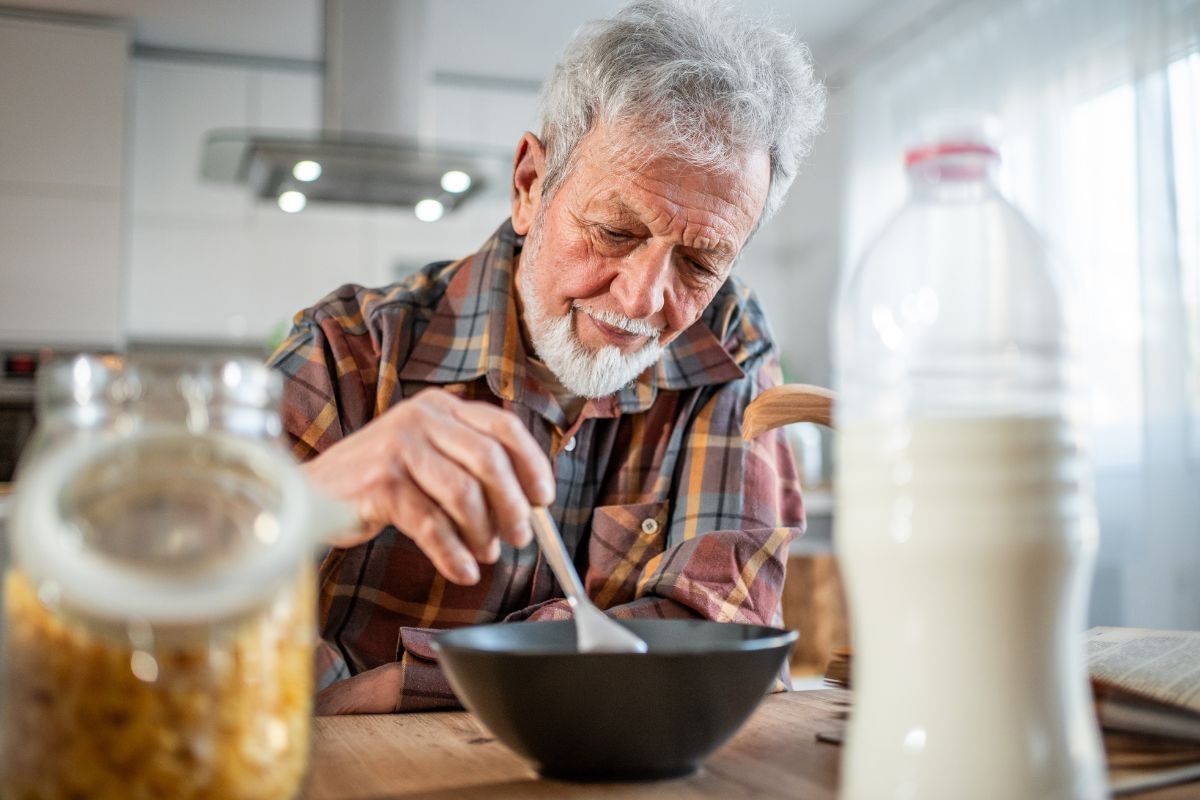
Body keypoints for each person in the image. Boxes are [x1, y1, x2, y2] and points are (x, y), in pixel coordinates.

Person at [270, 0, 826, 714]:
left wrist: (411, 685)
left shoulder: (727, 342)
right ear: (531, 185)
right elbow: (166, 594)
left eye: (698, 262)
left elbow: (715, 630)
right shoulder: (346, 351)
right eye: (615, 232)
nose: (642, 299)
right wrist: (304, 507)